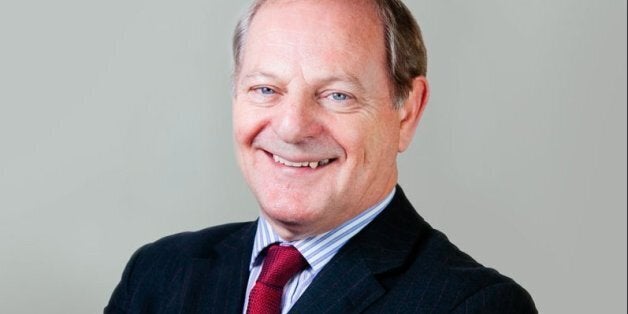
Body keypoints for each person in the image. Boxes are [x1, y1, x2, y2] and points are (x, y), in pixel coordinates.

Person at [106, 0, 537, 313]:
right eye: (266, 90)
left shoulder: (475, 306)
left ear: (407, 112)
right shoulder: (158, 275)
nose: (292, 127)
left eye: (337, 95)